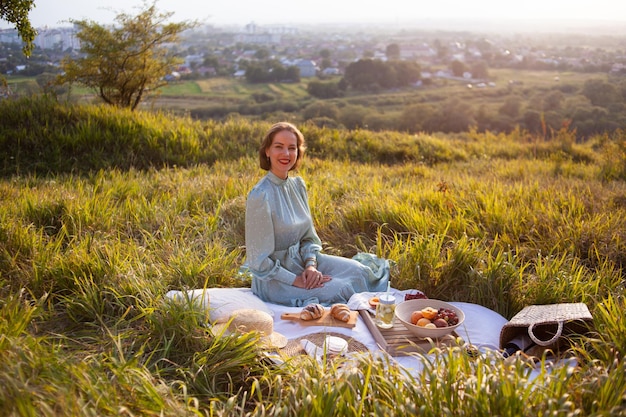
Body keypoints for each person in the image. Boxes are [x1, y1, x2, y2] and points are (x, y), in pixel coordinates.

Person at [242, 122, 390, 307]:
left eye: (292, 148)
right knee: (339, 289)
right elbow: (258, 262)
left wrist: (311, 265)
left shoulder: (298, 186)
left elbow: (308, 237)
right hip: (275, 278)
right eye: (278, 147)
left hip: (303, 261)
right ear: (267, 151)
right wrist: (295, 280)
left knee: (360, 272)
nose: (286, 154)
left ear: (298, 152)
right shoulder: (260, 195)